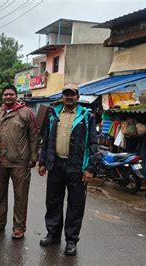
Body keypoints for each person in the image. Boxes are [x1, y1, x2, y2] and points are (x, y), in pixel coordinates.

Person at [38, 84, 98, 256]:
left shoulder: (87, 116)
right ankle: (53, 235)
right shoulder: (53, 114)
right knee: (53, 202)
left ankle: (71, 241)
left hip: (77, 167)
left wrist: (90, 168)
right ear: (62, 97)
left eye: (72, 94)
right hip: (56, 165)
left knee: (76, 205)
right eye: (66, 94)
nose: (69, 97)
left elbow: (93, 143)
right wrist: (43, 162)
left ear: (77, 97)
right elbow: (47, 139)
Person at [0, 85, 38, 239]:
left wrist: (33, 157)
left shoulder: (26, 113)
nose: (8, 97)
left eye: (11, 94)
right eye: (5, 95)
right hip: (1, 161)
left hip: (20, 163)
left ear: (16, 96)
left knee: (20, 197)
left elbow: (33, 136)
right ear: (2, 97)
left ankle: (18, 228)